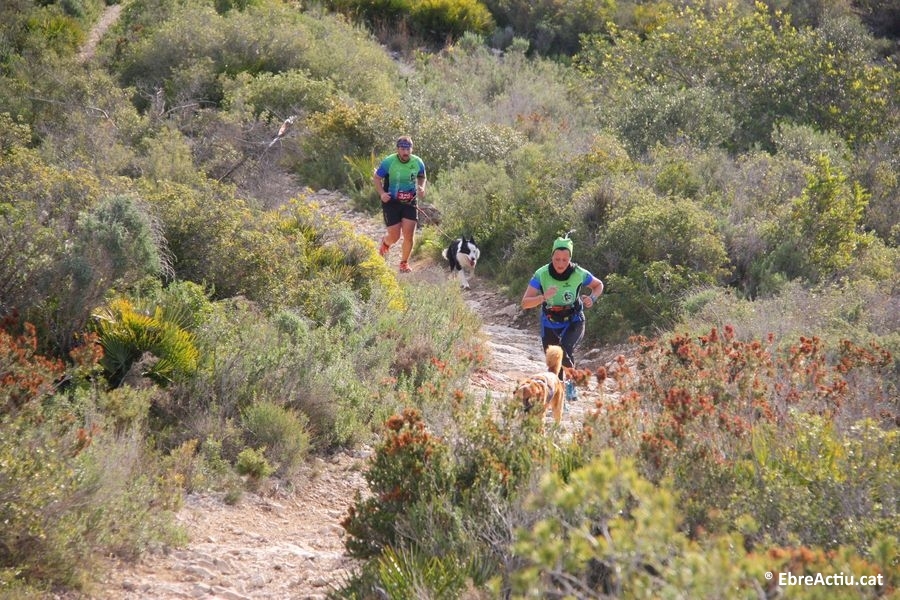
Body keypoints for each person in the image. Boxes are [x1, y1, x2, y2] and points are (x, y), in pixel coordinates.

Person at [520, 235, 604, 401]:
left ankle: (571, 384)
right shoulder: (541, 274)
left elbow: (598, 285)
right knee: (553, 361)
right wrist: (543, 297)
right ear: (551, 256)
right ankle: (559, 395)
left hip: (574, 319)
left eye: (565, 260)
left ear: (570, 259)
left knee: (564, 350)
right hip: (549, 321)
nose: (560, 264)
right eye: (557, 259)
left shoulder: (579, 273)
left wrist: (592, 298)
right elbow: (525, 303)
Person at [373, 135, 426, 273]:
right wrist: (382, 194)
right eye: (402, 149)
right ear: (397, 149)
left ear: (411, 149)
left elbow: (422, 176)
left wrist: (421, 187)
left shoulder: (418, 162)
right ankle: (385, 243)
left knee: (409, 235)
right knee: (395, 236)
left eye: (408, 149)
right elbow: (377, 178)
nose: (405, 152)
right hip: (391, 202)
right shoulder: (389, 162)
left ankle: (404, 263)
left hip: (410, 202)